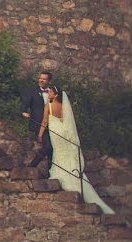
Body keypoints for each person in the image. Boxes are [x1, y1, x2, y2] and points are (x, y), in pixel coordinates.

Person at [41, 86, 115, 214]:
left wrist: (40, 134)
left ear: (56, 95)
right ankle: (72, 176)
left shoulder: (49, 105)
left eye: (50, 92)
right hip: (63, 132)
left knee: (58, 153)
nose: (48, 94)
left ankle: (63, 175)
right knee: (65, 153)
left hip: (55, 132)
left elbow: (44, 121)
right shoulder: (64, 107)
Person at [21, 71, 52, 168]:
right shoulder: (32, 91)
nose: (41, 80)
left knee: (52, 149)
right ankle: (32, 165)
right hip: (39, 123)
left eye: (44, 79)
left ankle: (50, 172)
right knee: (47, 147)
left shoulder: (52, 92)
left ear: (49, 81)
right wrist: (23, 111)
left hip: (54, 125)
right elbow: (25, 103)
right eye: (40, 78)